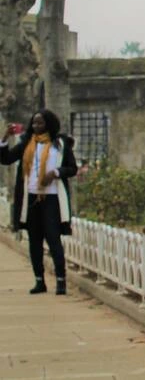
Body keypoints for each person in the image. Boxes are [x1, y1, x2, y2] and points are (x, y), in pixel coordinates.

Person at [1, 109, 78, 295]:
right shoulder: (27, 143)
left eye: (40, 123)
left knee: (53, 238)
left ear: (49, 124)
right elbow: (6, 159)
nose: (36, 126)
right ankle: (39, 281)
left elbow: (72, 168)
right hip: (31, 198)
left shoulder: (60, 144)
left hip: (52, 198)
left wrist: (55, 173)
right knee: (34, 241)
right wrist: (4, 138)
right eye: (34, 123)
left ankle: (61, 281)